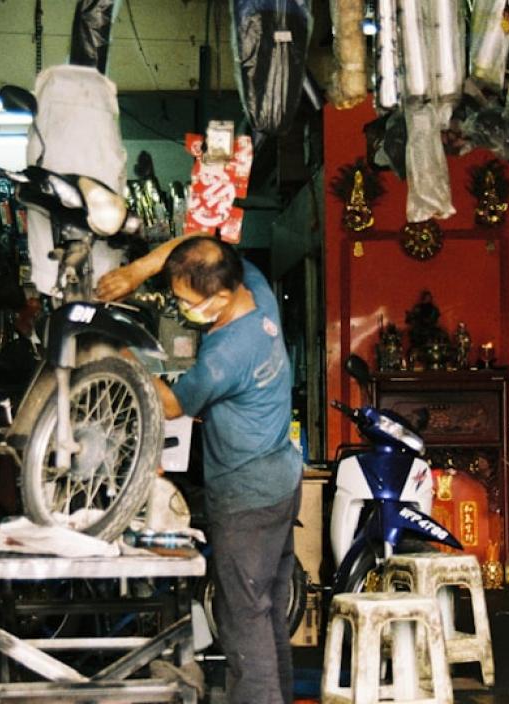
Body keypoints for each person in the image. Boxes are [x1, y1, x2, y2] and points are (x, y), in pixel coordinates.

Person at [97, 235, 302, 704]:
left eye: (187, 303)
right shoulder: (256, 289)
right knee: (266, 610)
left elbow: (172, 405)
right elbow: (200, 239)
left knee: (243, 617)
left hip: (248, 496)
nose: (182, 309)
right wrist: (139, 271)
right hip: (280, 481)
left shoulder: (225, 355)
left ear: (221, 296)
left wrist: (123, 358)